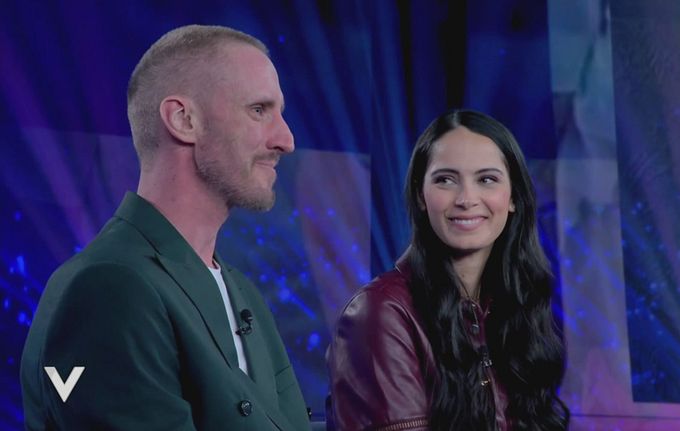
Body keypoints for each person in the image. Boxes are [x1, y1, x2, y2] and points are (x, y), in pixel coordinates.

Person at [20, 25, 310, 431]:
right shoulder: (109, 288)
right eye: (259, 110)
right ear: (183, 119)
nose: (286, 140)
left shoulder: (241, 292)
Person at [327, 109, 569, 430]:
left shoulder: (514, 306)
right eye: (445, 180)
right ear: (421, 195)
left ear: (513, 197)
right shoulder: (382, 312)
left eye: (486, 179)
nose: (466, 199)